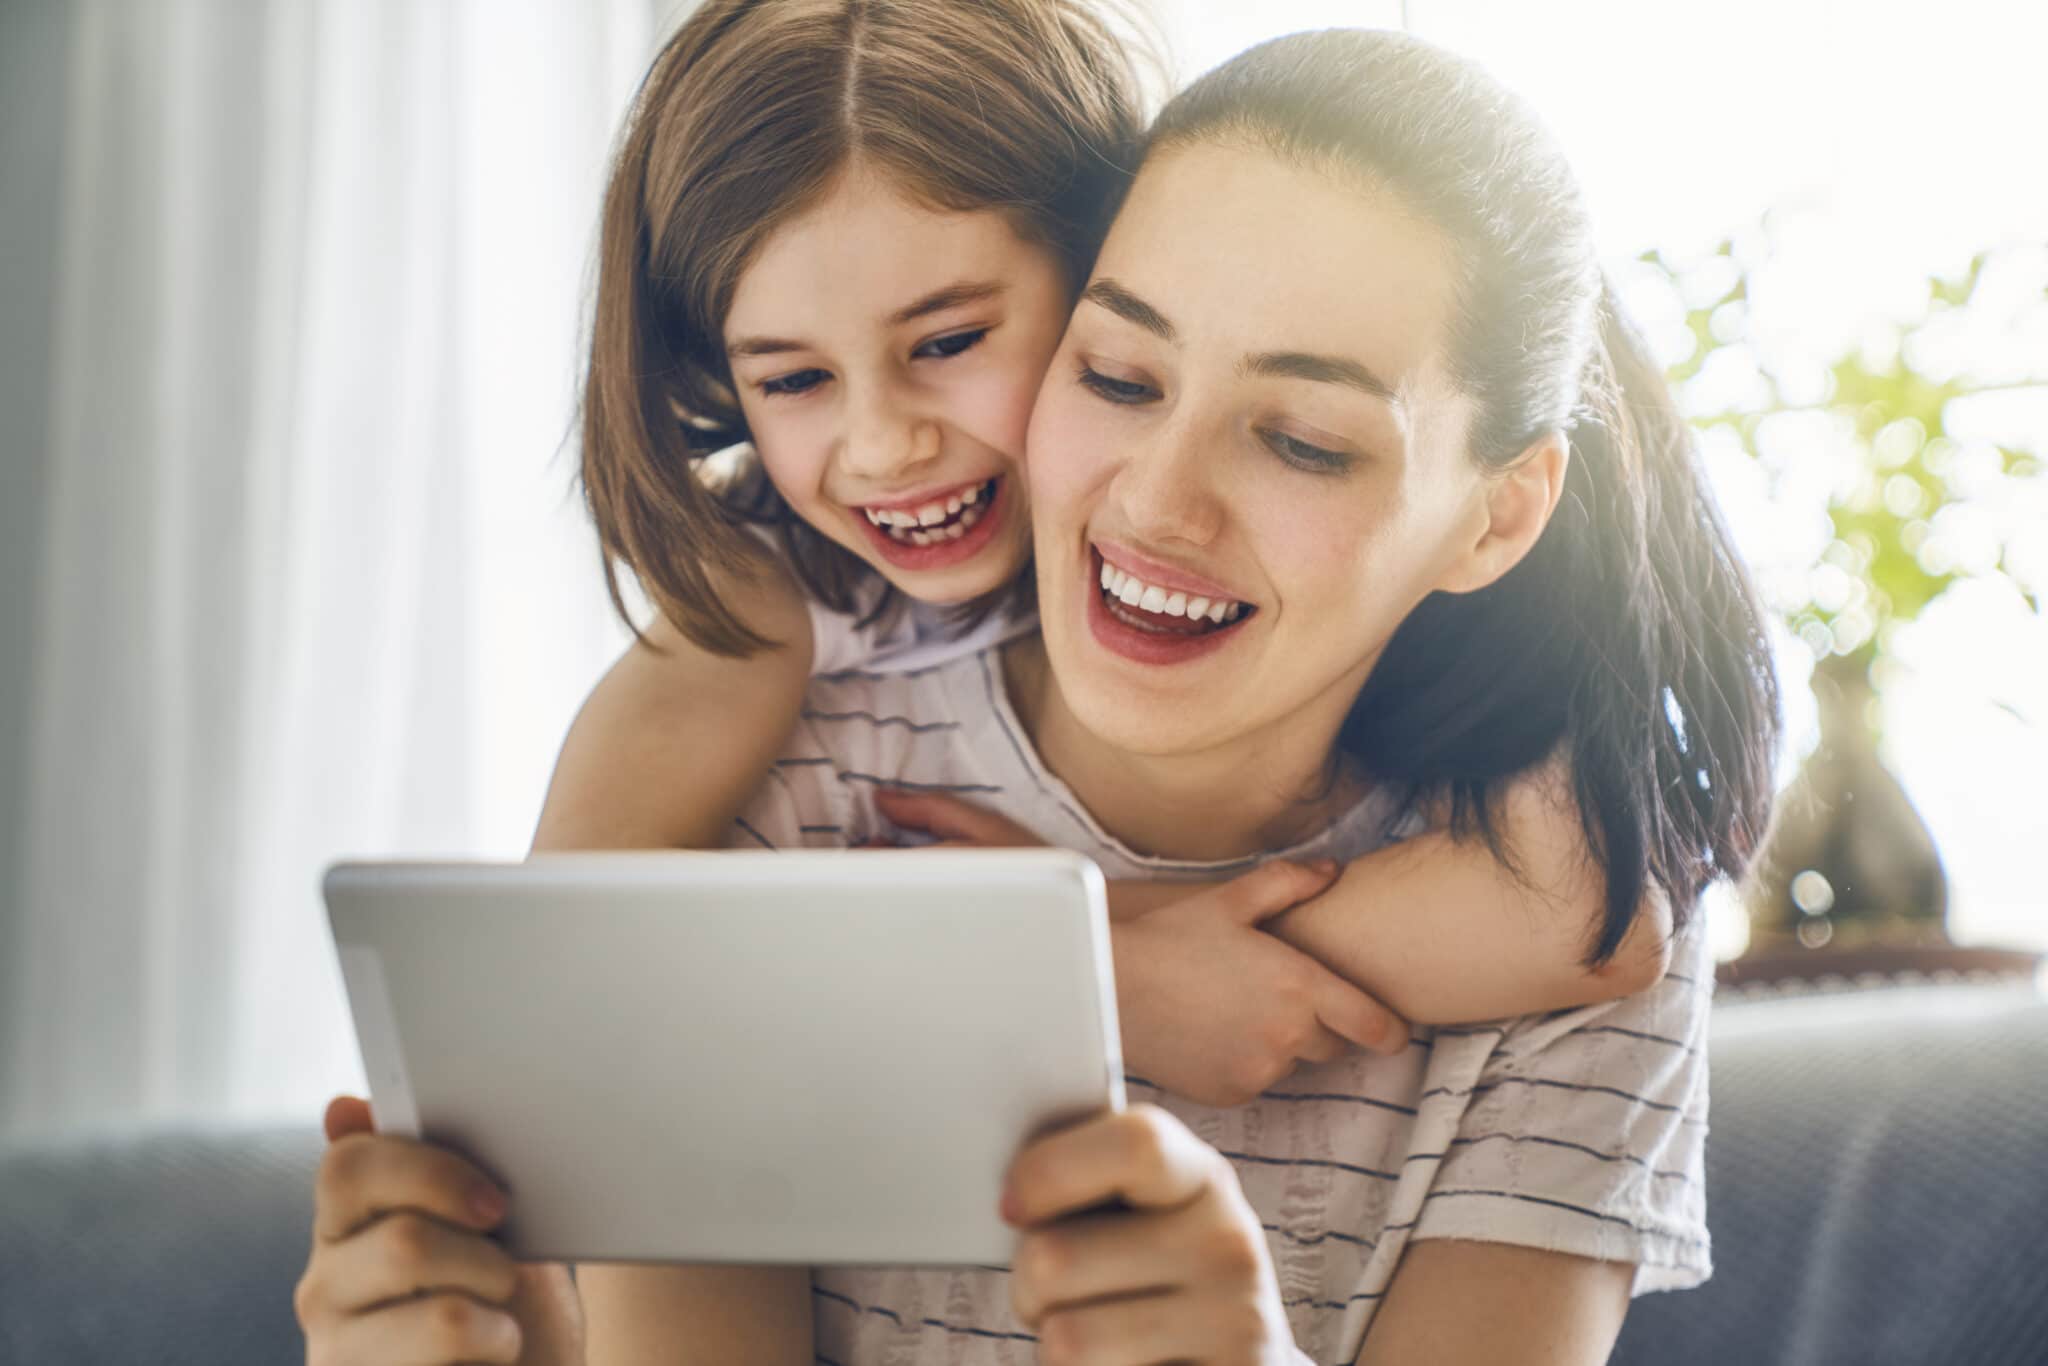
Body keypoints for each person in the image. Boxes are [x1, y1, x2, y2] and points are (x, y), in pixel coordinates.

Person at [294, 17, 1780, 1366]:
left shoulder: (1569, 904)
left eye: (1306, 442)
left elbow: (1602, 917)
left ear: (1499, 514)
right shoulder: (778, 738)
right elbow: (576, 1002)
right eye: (1123, 378)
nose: (1160, 503)